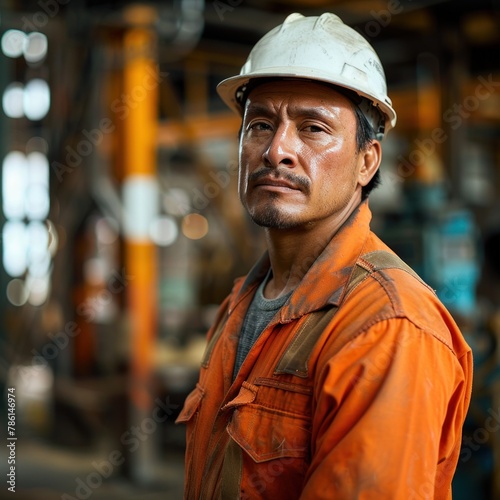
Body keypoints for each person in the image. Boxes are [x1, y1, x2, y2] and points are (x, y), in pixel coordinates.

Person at [176, 12, 472, 499]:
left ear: (366, 161)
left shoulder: (387, 328)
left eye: (313, 128)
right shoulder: (242, 303)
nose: (277, 151)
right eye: (260, 125)